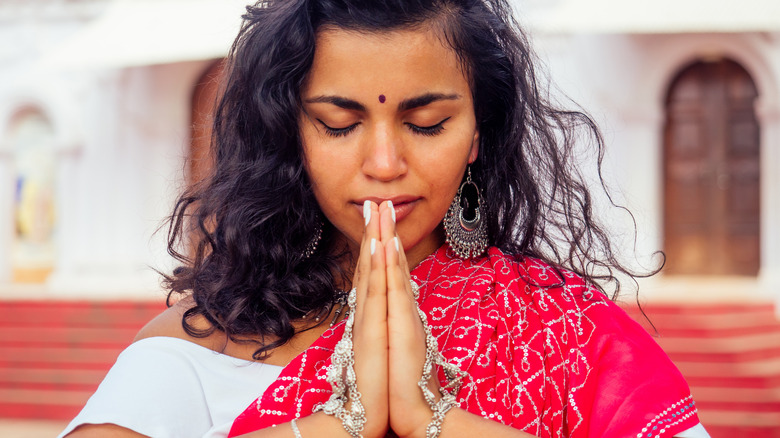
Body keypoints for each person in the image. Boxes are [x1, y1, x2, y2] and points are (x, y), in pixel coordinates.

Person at [59, 0, 711, 437]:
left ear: (479, 132)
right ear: (293, 135)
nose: (384, 162)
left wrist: (435, 417)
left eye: (426, 123)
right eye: (339, 124)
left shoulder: (571, 335)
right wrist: (346, 417)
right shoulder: (194, 352)